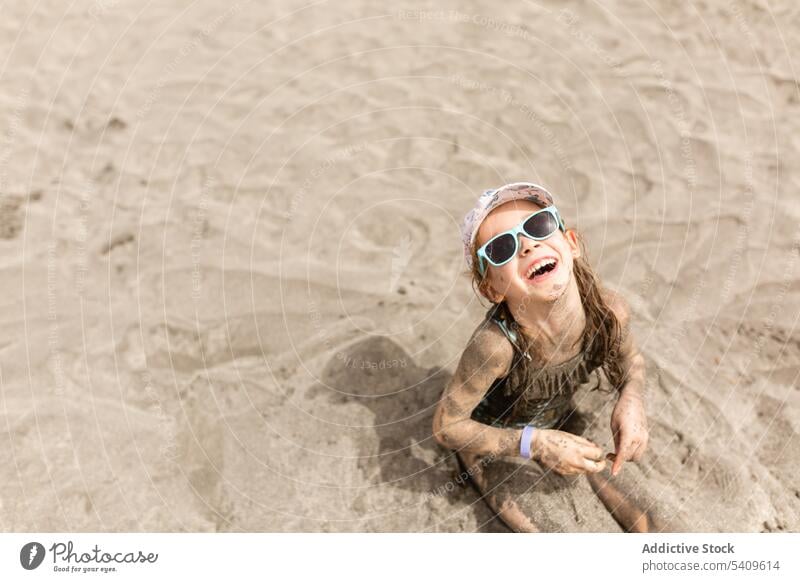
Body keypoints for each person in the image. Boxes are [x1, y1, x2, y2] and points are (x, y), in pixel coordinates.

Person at [432, 182, 654, 532]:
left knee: (647, 520)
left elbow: (633, 362)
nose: (528, 244)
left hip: (559, 416)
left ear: (571, 243)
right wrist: (534, 443)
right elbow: (447, 427)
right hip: (495, 437)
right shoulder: (495, 346)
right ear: (492, 289)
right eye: (502, 247)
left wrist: (632, 397)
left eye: (538, 226)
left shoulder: (610, 312)